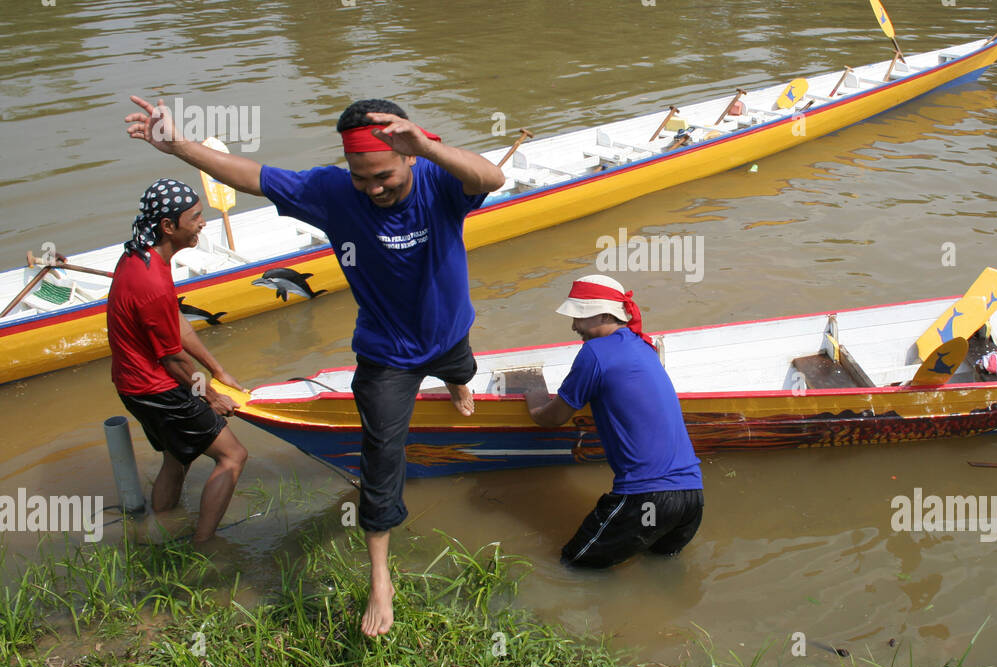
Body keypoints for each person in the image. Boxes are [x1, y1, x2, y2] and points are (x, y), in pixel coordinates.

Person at [124, 95, 504, 636]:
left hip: (449, 331)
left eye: (385, 177)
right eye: (361, 178)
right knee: (381, 460)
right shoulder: (331, 192)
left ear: (411, 155)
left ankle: (457, 384)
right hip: (387, 354)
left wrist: (426, 146)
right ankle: (380, 578)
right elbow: (253, 176)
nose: (373, 189)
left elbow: (491, 177)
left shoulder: (439, 179)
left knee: (460, 367)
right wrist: (180, 146)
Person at [526, 275, 704, 568]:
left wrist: (535, 404)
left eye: (579, 317)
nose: (574, 326)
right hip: (691, 499)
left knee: (573, 567)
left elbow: (555, 417)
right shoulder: (643, 346)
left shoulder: (595, 352)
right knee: (658, 566)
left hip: (648, 501)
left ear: (606, 316)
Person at [106, 179, 248, 543]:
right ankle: (205, 546)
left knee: (177, 455)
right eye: (195, 217)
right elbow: (173, 359)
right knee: (233, 456)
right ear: (168, 226)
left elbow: (175, 322)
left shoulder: (141, 256)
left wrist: (217, 370)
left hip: (133, 385)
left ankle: (162, 529)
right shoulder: (151, 281)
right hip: (156, 388)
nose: (203, 223)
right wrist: (212, 397)